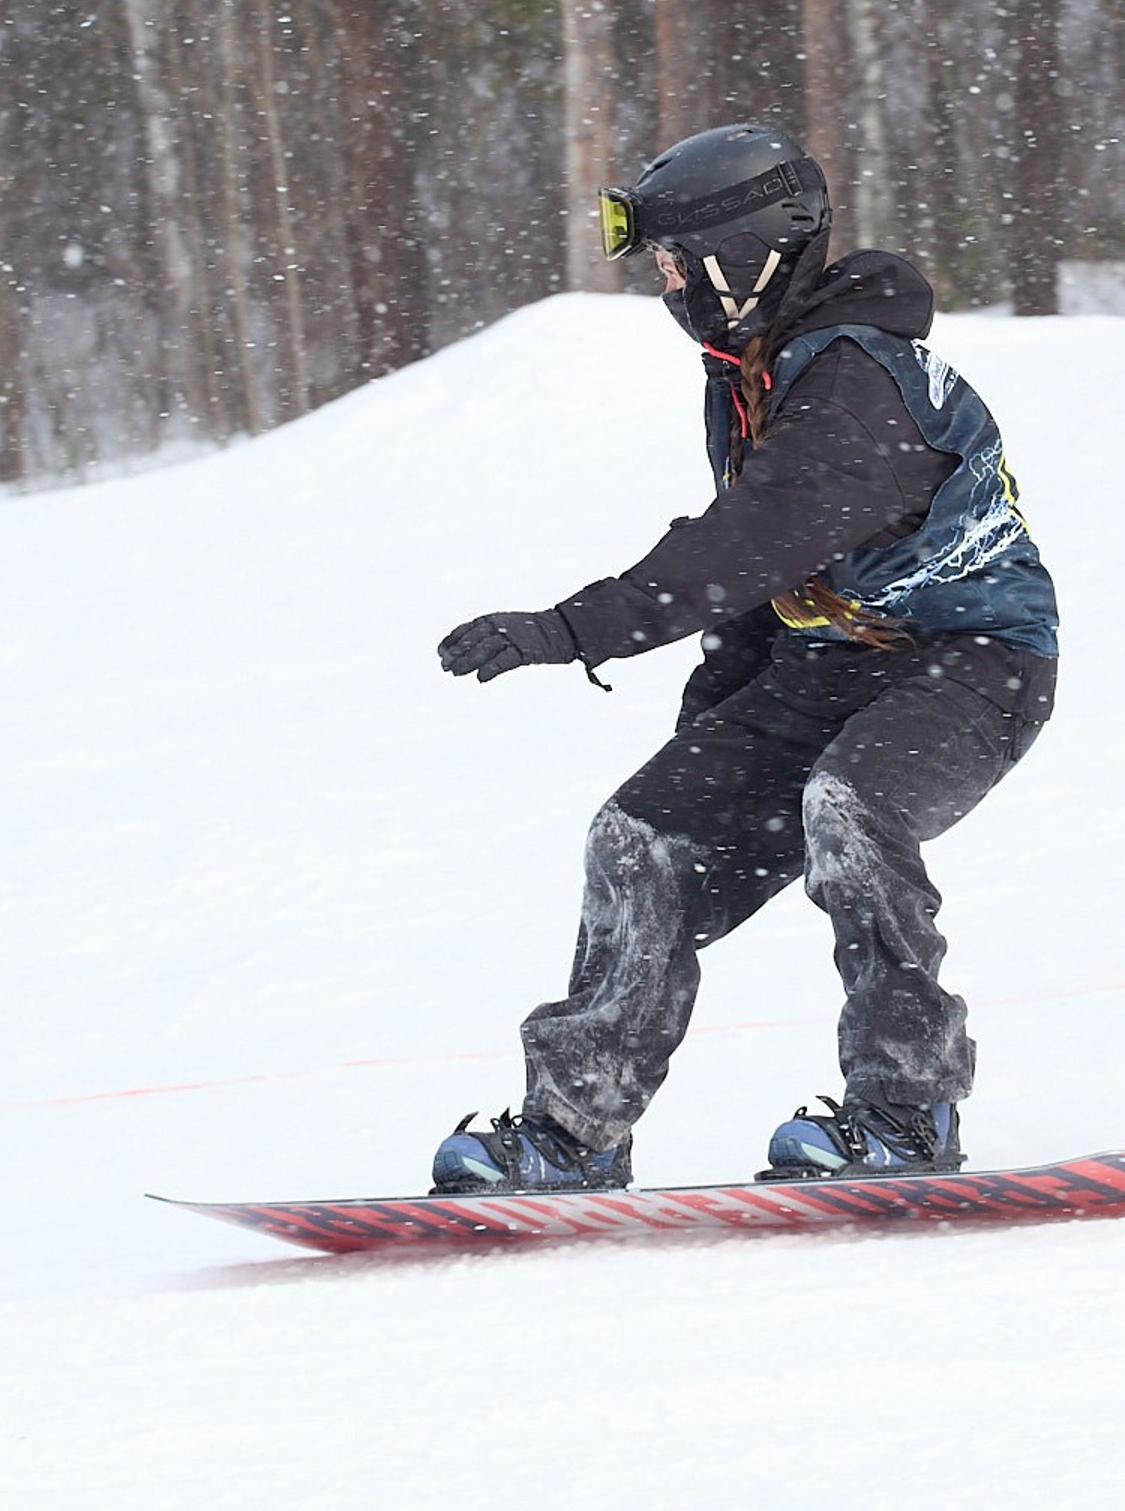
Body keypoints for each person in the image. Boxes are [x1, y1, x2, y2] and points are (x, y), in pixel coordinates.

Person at [432, 122, 1059, 1192]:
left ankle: (907, 1111)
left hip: (974, 661)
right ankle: (572, 1127)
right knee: (642, 835)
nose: (667, 285)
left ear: (747, 252)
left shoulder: (858, 379)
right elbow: (769, 574)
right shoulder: (751, 373)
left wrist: (576, 627)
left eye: (677, 262)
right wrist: (713, 737)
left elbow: (746, 540)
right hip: (833, 663)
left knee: (851, 808)